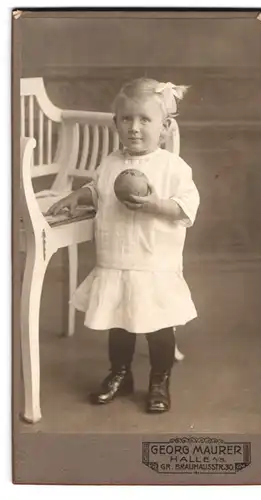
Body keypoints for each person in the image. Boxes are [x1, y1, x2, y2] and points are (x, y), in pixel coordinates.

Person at [47, 78, 200, 413]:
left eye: (145, 120)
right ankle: (120, 373)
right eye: (126, 119)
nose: (134, 128)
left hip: (153, 264)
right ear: (116, 122)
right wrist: (80, 195)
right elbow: (98, 189)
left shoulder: (172, 167)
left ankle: (160, 379)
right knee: (119, 326)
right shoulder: (111, 162)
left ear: (165, 127)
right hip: (116, 261)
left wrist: (157, 205)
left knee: (159, 330)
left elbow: (187, 207)